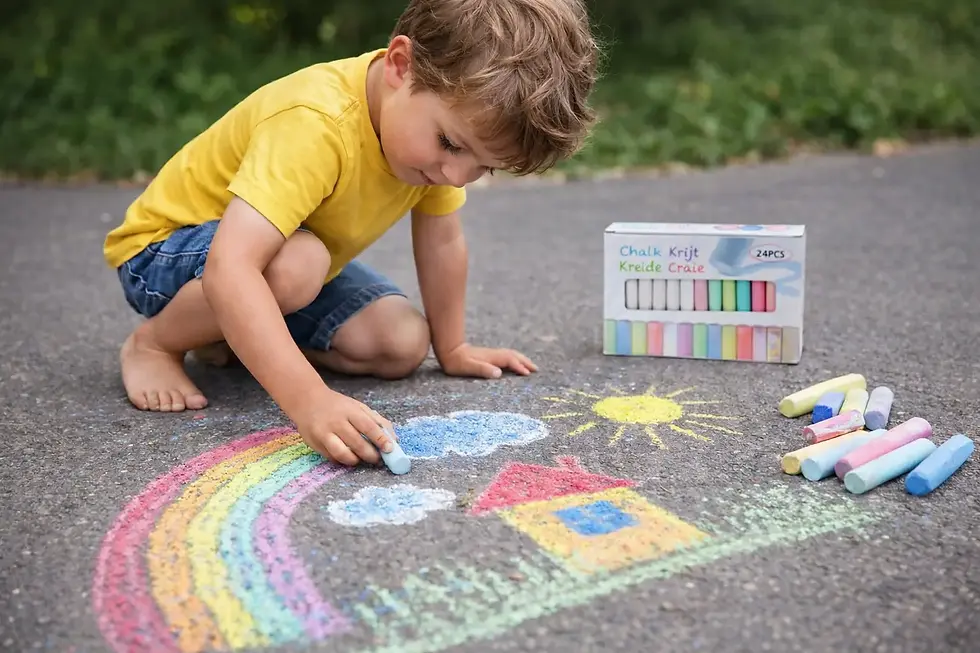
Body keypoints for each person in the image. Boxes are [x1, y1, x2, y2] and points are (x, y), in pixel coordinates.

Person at [102, 0, 600, 468]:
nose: (456, 175)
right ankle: (155, 345)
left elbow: (442, 240)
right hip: (164, 254)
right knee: (298, 267)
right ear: (401, 65)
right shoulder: (316, 123)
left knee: (401, 343)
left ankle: (231, 335)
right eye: (450, 144)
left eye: (484, 167)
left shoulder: (430, 144)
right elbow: (232, 265)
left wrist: (453, 348)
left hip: (285, 264)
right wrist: (309, 399)